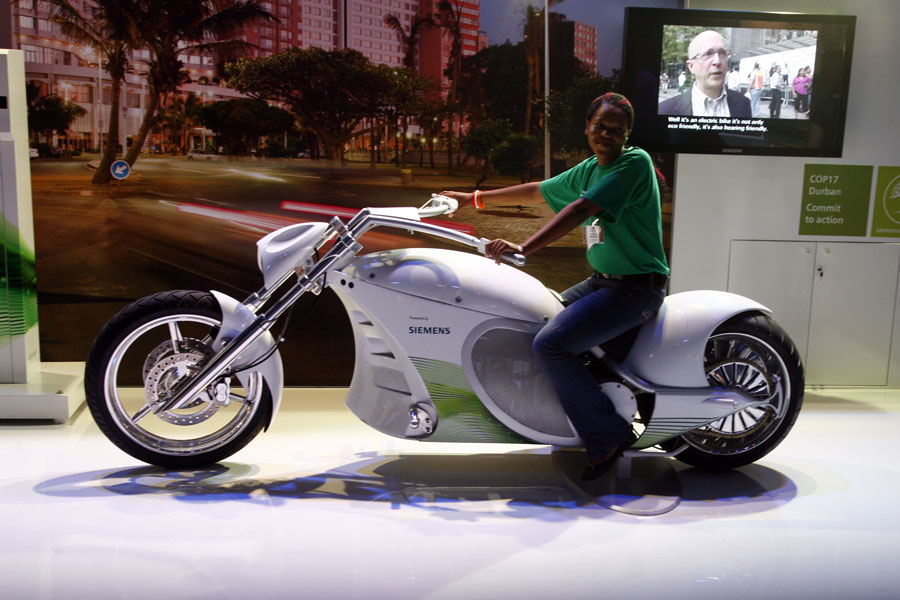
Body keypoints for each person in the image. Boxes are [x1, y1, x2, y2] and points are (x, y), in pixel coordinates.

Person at [441, 93, 669, 480]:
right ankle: (563, 417)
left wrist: (524, 247)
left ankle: (608, 435)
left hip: (636, 289)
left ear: (627, 134)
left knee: (551, 344)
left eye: (616, 130)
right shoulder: (589, 168)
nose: (606, 135)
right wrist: (471, 199)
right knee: (534, 319)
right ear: (587, 128)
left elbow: (580, 210)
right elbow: (537, 191)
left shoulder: (633, 163)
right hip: (603, 283)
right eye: (600, 126)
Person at [658, 30, 751, 118]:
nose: (717, 61)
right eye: (708, 54)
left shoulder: (744, 103)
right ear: (691, 66)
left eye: (722, 53)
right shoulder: (665, 110)